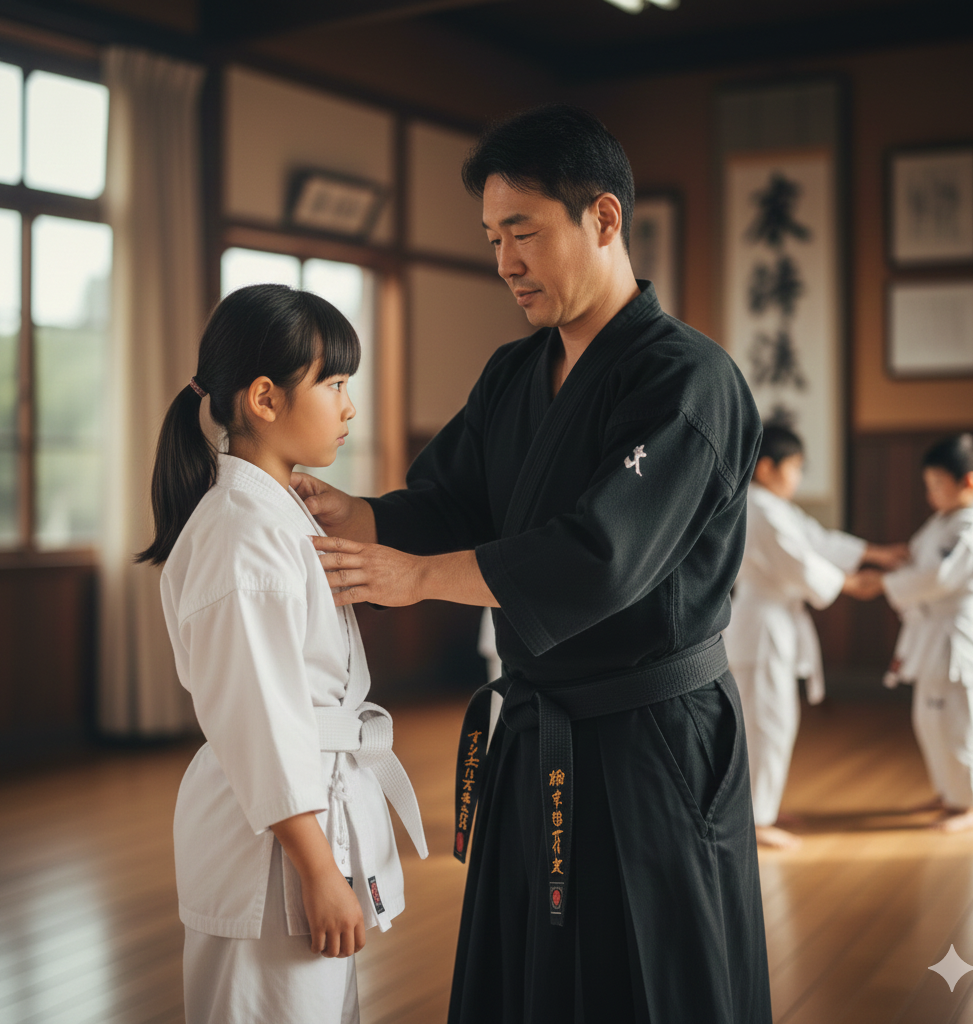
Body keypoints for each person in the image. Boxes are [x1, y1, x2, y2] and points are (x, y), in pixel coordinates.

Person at [294, 105, 772, 1023]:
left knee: (648, 976)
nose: (505, 261)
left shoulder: (688, 382)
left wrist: (418, 577)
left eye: (525, 232)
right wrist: (359, 517)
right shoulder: (515, 373)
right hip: (537, 726)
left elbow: (599, 557)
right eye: (492, 237)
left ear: (603, 218)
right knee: (529, 974)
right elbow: (446, 503)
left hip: (651, 740)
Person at [138, 284, 427, 1024]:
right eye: (333, 384)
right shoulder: (241, 533)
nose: (349, 406)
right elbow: (260, 719)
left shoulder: (274, 513)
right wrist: (316, 866)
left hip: (295, 820)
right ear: (264, 399)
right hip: (271, 842)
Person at [723, 424, 907, 849]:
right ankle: (755, 817)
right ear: (766, 467)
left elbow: (816, 540)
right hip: (762, 623)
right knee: (766, 723)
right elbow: (798, 561)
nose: (799, 476)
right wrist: (846, 584)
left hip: (772, 624)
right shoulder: (760, 508)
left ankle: (759, 807)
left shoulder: (773, 505)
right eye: (795, 467)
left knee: (772, 721)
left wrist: (874, 553)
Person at [882, 433, 973, 833]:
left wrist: (887, 583)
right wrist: (895, 561)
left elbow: (937, 575)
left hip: (960, 633)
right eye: (928, 486)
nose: (930, 494)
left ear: (968, 482)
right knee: (930, 721)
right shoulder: (944, 520)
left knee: (961, 722)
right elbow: (919, 558)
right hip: (933, 632)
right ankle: (947, 791)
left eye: (937, 485)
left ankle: (967, 804)